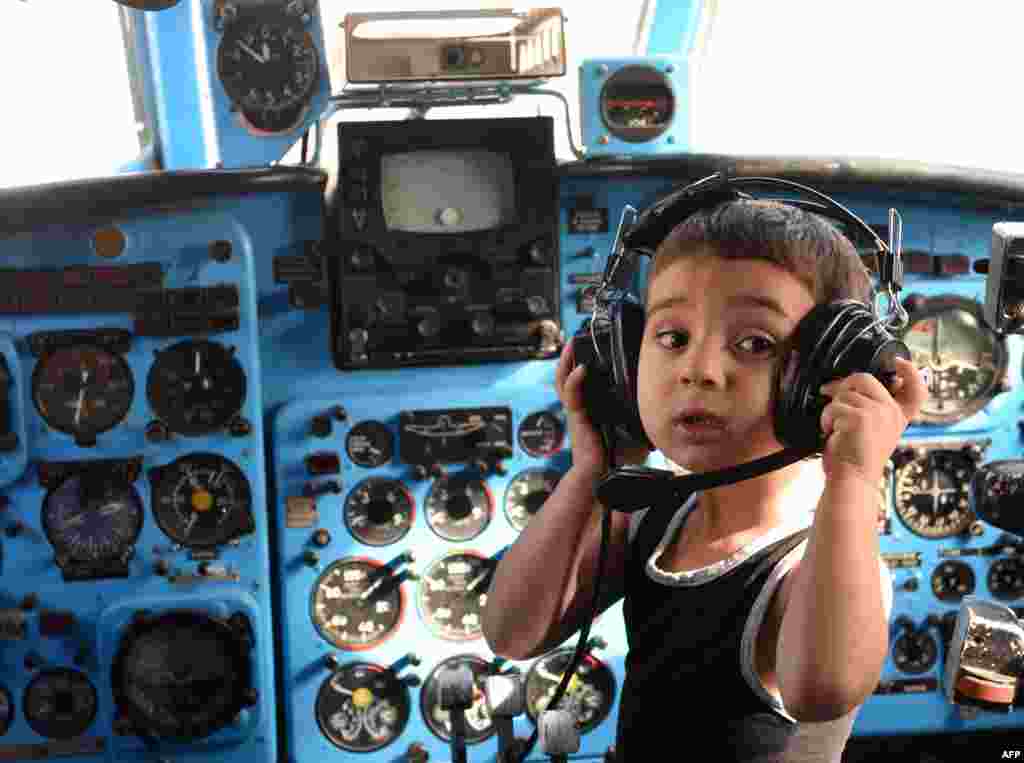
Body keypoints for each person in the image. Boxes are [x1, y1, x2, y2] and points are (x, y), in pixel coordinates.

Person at [481, 198, 928, 762]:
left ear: (829, 372)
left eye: (755, 344)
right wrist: (591, 469)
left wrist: (856, 477)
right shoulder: (654, 515)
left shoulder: (820, 563)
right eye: (672, 337)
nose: (699, 369)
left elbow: (823, 689)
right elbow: (514, 633)